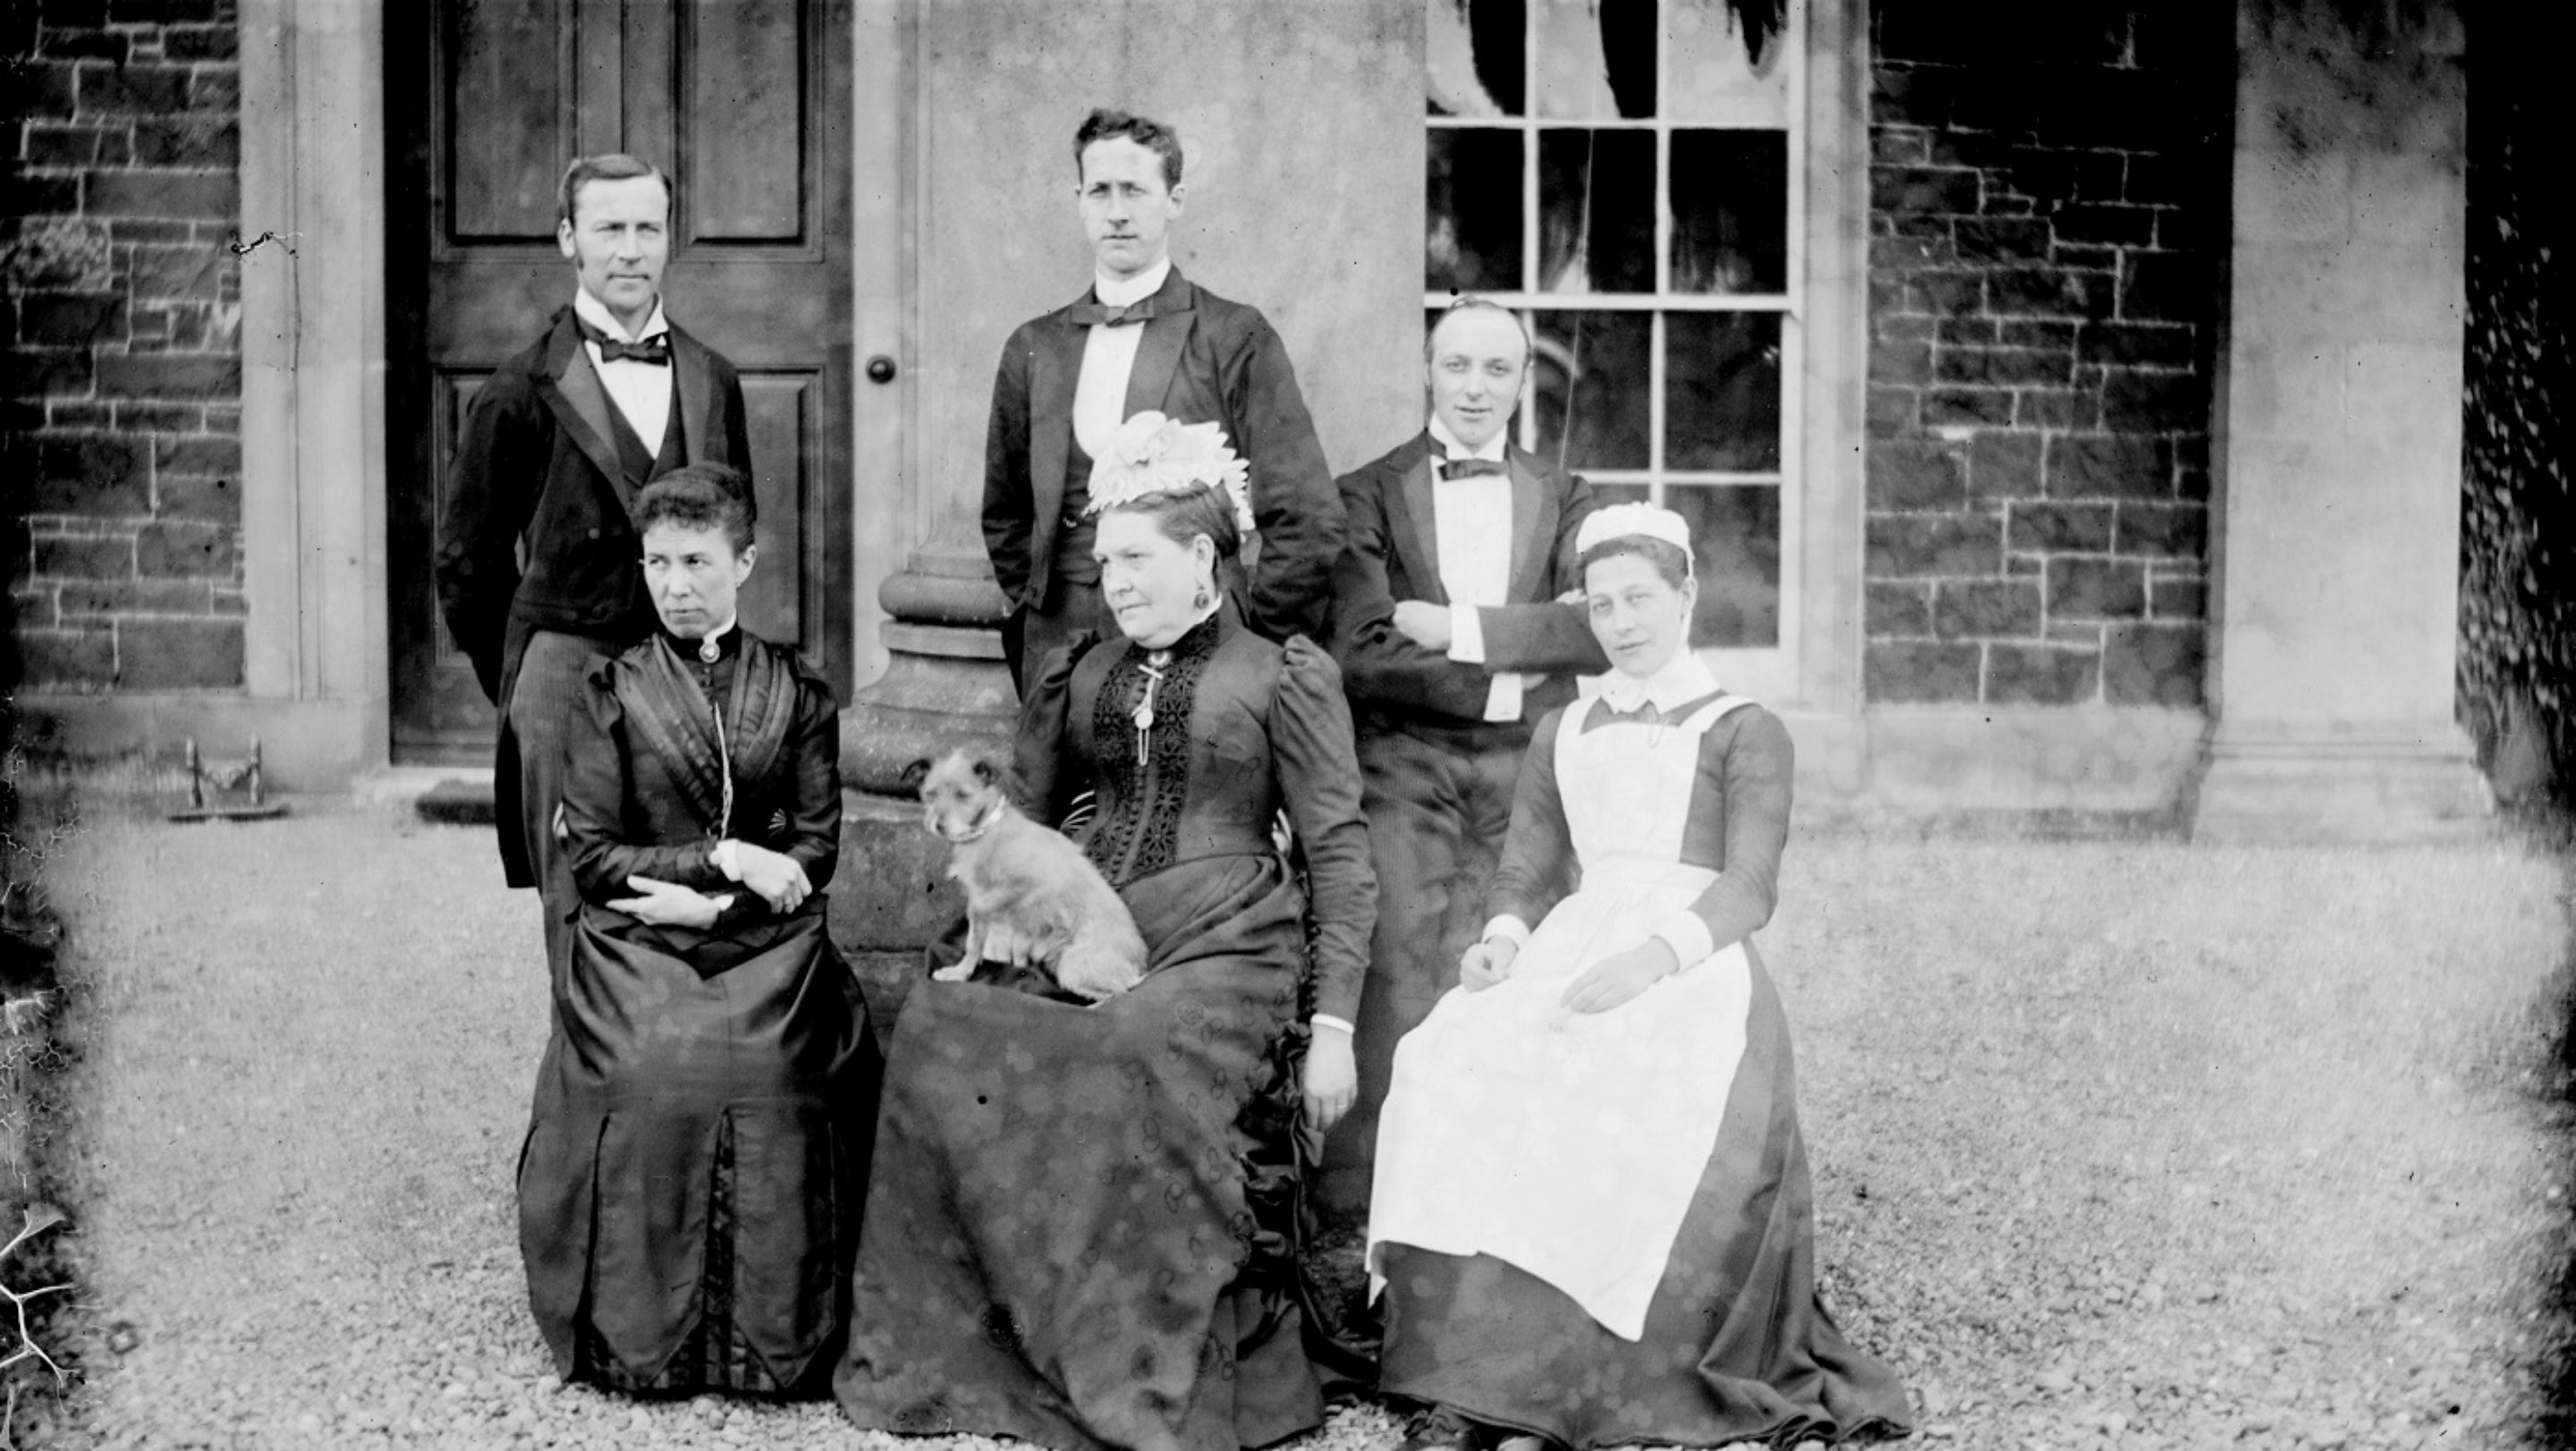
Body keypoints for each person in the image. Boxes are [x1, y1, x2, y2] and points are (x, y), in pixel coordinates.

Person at [837, 413, 1377, 1450]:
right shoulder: (1083, 670)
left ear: (1204, 556)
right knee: (946, 1026)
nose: (1114, 582)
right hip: (1084, 917)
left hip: (1227, 937)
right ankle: (989, 1348)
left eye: (1136, 559)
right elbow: (1021, 825)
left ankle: (1127, 1361)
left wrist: (1339, 1021)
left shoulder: (1281, 674)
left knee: (1123, 1049)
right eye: (1104, 563)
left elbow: (1341, 854)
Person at [1365, 504, 1915, 1449]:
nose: (1622, 621)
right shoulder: (1567, 725)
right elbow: (1529, 869)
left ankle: (1558, 1392)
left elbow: (1748, 888)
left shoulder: (1745, 727)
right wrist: (1501, 939)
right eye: (1603, 603)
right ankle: (1471, 1372)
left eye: (1641, 598)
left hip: (1691, 961)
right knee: (1450, 1053)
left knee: (1610, 1082)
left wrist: (1650, 960)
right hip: (1577, 938)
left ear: (1687, 594)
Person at [522, 465, 879, 1394]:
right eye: (657, 563)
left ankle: (772, 1341)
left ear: (745, 560)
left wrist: (728, 905)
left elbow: (814, 845)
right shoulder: (608, 691)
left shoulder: (798, 691)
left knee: (778, 1064)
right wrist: (714, 860)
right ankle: (646, 1340)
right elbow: (595, 854)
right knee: (653, 1060)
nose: (675, 585)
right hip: (638, 930)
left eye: (697, 560)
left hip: (766, 936)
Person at [1319, 298, 1608, 1210]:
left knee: (1519, 949)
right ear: (1428, 373)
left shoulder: (1568, 496)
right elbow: (1361, 646)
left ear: (1524, 382)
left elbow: (1594, 629)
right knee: (1403, 955)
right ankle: (1388, 1196)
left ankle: (1507, 1186)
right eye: (1458, 367)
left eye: (1497, 369)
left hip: (1530, 765)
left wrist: (1456, 628)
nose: (1476, 387)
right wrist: (1512, 668)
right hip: (1406, 763)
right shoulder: (1367, 491)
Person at [436, 153, 753, 982]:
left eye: (648, 228)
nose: (630, 249)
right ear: (569, 238)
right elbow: (465, 562)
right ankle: (582, 1103)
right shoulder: (519, 388)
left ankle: (668, 1094)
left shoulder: (714, 380)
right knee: (576, 903)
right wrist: (523, 677)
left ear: (669, 237)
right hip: (564, 673)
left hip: (686, 671)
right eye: (609, 228)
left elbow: (732, 529)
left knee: (691, 880)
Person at [983, 107, 1343, 690]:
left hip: (1199, 652)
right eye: (1100, 191)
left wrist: (1252, 641)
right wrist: (1045, 610)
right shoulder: (1034, 347)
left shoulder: (1232, 335)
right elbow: (1005, 515)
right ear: (1078, 199)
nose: (1118, 212)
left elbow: (1308, 517)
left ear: (1174, 199)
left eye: (1136, 190)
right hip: (1061, 648)